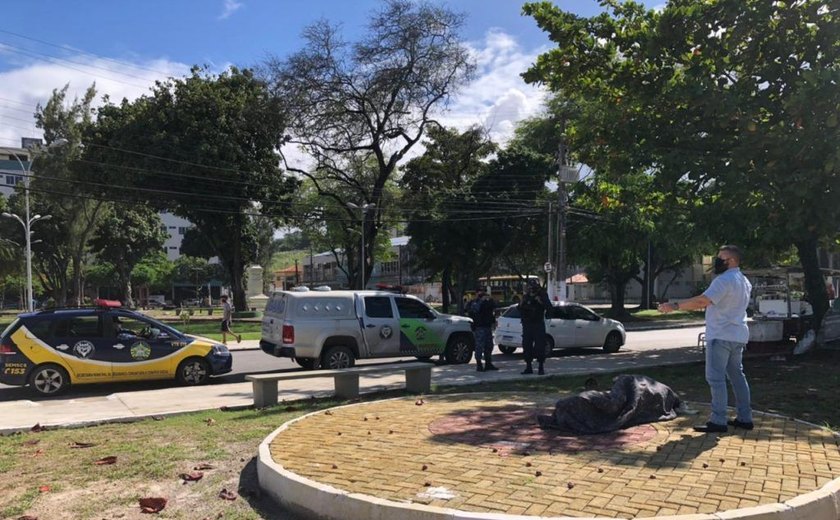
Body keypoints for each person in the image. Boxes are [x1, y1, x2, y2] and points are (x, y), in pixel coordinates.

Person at [658, 245, 753, 433]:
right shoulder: (744, 281)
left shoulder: (723, 280)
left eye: (721, 258)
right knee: (737, 377)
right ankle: (745, 418)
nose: (717, 261)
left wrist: (674, 305)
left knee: (715, 379)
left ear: (732, 261)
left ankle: (718, 421)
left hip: (720, 335)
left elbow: (703, 301)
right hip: (738, 335)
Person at [517, 279, 552, 375]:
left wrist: (540, 301)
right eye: (530, 287)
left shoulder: (542, 296)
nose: (531, 289)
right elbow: (519, 308)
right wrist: (521, 303)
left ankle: (541, 367)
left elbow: (549, 308)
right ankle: (528, 367)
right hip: (527, 325)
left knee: (540, 346)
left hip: (538, 324)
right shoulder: (526, 297)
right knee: (527, 346)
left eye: (533, 287)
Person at [468, 289, 497, 372]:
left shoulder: (487, 302)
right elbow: (475, 309)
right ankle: (479, 364)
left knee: (489, 346)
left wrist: (490, 299)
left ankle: (488, 363)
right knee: (479, 346)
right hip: (480, 327)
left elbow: (494, 307)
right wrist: (480, 300)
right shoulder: (475, 302)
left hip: (487, 326)